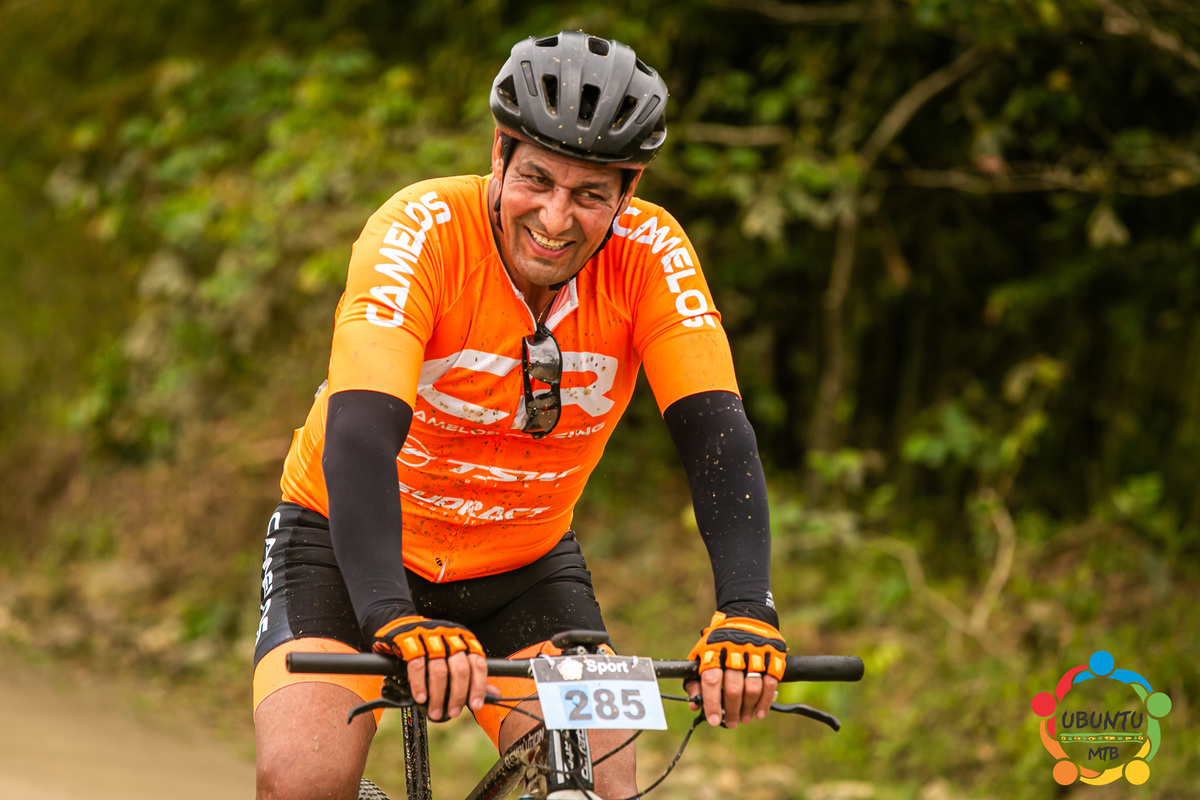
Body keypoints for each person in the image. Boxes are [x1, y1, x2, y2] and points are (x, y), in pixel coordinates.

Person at [253, 30, 787, 800]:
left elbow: (716, 434)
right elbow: (359, 434)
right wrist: (392, 615)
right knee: (302, 780)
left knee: (603, 776)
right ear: (499, 155)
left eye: (590, 195)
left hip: (524, 566)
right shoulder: (420, 229)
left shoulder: (652, 252)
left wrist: (747, 612)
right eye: (537, 179)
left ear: (627, 192)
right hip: (344, 546)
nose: (556, 218)